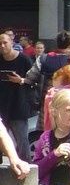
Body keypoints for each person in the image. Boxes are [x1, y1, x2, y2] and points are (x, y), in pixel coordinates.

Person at [0, 27, 34, 155]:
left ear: (12, 43)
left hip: (18, 107)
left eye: (5, 43)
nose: (2, 46)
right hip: (2, 107)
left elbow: (34, 80)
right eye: (0, 43)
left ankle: (27, 170)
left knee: (22, 142)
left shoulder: (24, 59)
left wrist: (21, 80)